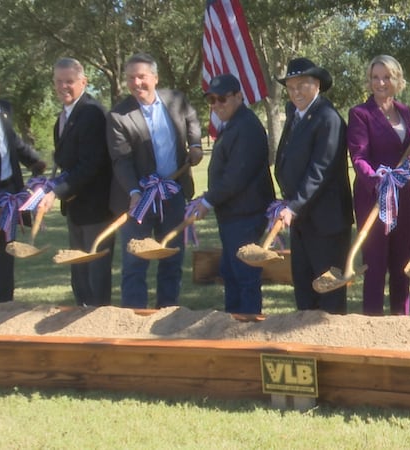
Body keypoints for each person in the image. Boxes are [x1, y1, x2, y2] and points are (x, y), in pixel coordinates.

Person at [107, 53, 203, 309]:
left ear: (155, 78)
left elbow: (192, 119)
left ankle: (168, 313)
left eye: (141, 76)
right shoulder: (118, 116)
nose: (136, 83)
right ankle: (134, 315)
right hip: (139, 198)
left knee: (172, 256)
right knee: (135, 261)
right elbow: (121, 160)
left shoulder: (176, 99)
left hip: (173, 193)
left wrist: (194, 144)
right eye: (130, 78)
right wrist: (134, 191)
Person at [347, 55, 410, 316]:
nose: (380, 82)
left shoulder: (405, 111)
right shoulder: (360, 114)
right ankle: (373, 322)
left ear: (397, 80)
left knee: (401, 263)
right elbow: (358, 156)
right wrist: (377, 180)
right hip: (373, 195)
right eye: (375, 77)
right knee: (375, 263)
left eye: (386, 77)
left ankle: (400, 323)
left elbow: (405, 156)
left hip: (402, 196)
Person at [274, 57, 353, 314]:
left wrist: (294, 205)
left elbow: (320, 170)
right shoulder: (295, 115)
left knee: (328, 293)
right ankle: (306, 351)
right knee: (304, 291)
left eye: (302, 85)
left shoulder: (327, 118)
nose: (296, 91)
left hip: (326, 222)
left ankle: (330, 351)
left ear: (316, 84)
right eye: (291, 86)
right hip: (302, 221)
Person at [193, 74, 276, 314]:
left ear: (239, 96)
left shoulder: (246, 126)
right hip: (233, 214)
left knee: (244, 275)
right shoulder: (233, 124)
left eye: (222, 98)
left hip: (246, 214)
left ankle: (247, 330)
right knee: (231, 273)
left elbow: (236, 176)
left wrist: (208, 200)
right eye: (211, 100)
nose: (217, 105)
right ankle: (231, 324)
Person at [37, 57, 115, 307]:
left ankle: (98, 327)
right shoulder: (64, 115)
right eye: (59, 82)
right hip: (76, 209)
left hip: (97, 208)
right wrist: (47, 186)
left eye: (69, 81)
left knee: (95, 273)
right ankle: (82, 322)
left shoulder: (91, 113)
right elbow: (64, 161)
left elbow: (90, 166)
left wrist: (56, 192)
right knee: (79, 274)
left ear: (84, 82)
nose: (64, 87)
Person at [0, 99, 46, 302]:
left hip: (8, 193)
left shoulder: (4, 109)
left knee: (5, 254)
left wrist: (34, 160)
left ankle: (4, 309)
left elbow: (11, 142)